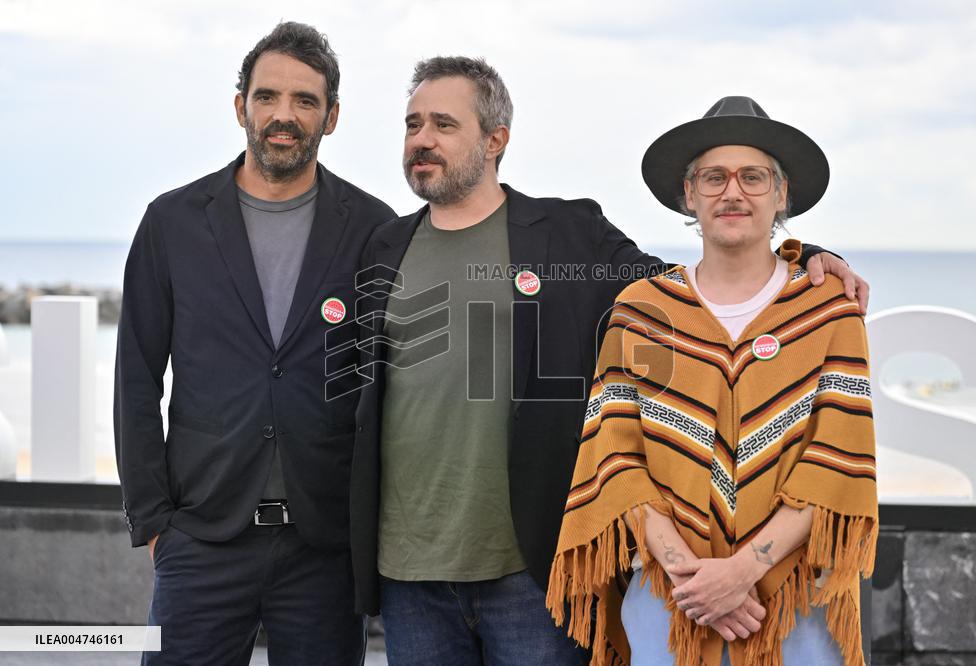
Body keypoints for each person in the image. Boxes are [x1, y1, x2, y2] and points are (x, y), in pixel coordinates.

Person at [349, 59, 869, 664]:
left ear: (495, 140)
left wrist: (809, 258)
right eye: (413, 125)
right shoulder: (385, 246)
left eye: (443, 123)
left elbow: (703, 286)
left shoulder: (571, 235)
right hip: (410, 569)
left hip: (528, 566)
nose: (423, 139)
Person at [547, 96, 878, 666]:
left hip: (797, 603)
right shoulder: (644, 312)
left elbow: (835, 460)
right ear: (689, 194)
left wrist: (743, 572)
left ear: (781, 196)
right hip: (671, 598)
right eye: (713, 177)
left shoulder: (827, 312)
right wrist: (696, 581)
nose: (733, 192)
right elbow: (616, 459)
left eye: (753, 177)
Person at [114, 21, 394, 665]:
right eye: (267, 96)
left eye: (305, 101)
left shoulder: (374, 229)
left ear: (332, 118)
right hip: (201, 538)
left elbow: (392, 385)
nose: (283, 116)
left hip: (324, 549)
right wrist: (154, 520)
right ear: (241, 105)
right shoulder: (173, 221)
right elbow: (135, 376)